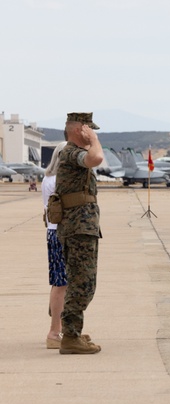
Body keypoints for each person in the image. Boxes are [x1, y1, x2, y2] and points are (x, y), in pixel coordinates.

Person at [56, 112, 104, 354]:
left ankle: (72, 332)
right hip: (78, 227)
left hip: (81, 227)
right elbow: (96, 158)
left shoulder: (73, 153)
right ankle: (70, 337)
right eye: (88, 130)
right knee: (82, 283)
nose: (91, 134)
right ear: (79, 131)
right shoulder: (72, 152)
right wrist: (94, 140)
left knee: (83, 281)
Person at [42, 141, 68, 349]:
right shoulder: (58, 180)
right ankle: (54, 331)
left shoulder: (48, 178)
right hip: (59, 232)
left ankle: (59, 329)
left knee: (59, 282)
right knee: (61, 283)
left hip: (52, 231)